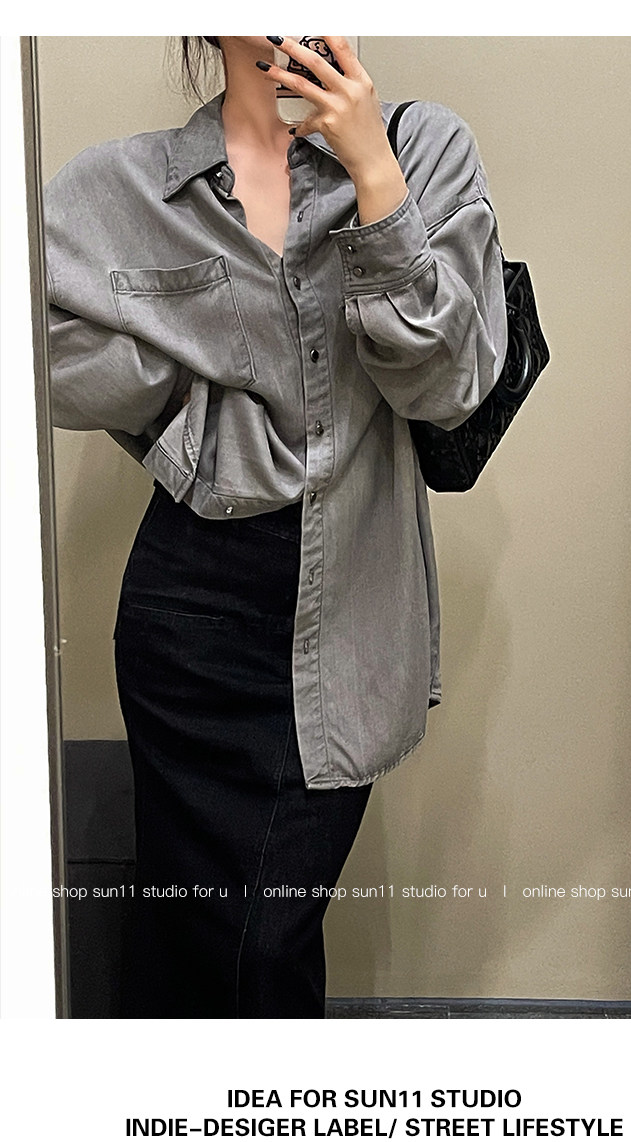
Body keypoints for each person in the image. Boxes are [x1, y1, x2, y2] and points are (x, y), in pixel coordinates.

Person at [43, 35, 508, 1018]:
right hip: (188, 613)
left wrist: (374, 174)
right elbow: (42, 355)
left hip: (351, 603)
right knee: (191, 934)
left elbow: (449, 383)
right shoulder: (125, 188)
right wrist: (191, 407)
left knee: (265, 941)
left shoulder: (423, 150)